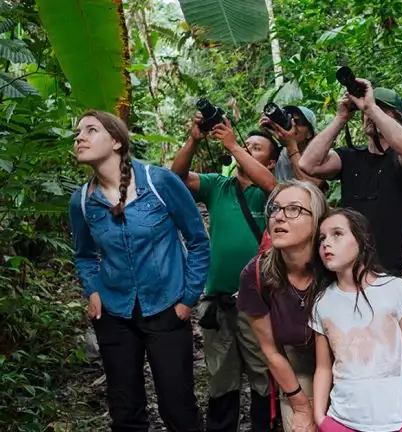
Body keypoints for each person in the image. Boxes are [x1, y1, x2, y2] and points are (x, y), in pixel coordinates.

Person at [68, 110, 209, 431]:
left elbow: (198, 241)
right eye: (77, 133)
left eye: (90, 130)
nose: (80, 137)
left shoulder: (159, 182)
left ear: (116, 141)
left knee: (178, 407)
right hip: (114, 316)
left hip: (167, 308)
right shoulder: (82, 201)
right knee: (125, 411)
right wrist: (92, 291)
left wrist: (188, 299)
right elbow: (84, 254)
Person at [171, 114, 281, 432]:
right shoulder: (218, 186)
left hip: (259, 302)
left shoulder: (270, 193)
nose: (246, 149)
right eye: (246, 144)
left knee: (263, 372)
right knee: (221, 375)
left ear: (271, 162)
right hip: (217, 302)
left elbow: (272, 186)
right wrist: (193, 139)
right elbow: (176, 179)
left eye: (255, 148)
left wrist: (233, 145)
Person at [310, 208, 402, 432]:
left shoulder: (394, 288)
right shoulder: (322, 302)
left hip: (394, 424)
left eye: (337, 234)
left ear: (362, 240)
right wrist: (320, 417)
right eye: (322, 238)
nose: (326, 243)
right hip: (340, 422)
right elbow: (324, 367)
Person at [299, 79, 402, 275]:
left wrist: (371, 107)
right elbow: (307, 164)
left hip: (401, 274)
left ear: (400, 119)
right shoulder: (349, 157)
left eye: (382, 110)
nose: (369, 115)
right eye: (365, 112)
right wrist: (341, 118)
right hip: (355, 273)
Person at [237, 180, 330, 432]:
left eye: (294, 209)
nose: (279, 217)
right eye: (275, 209)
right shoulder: (256, 274)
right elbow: (271, 351)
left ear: (318, 220)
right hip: (298, 364)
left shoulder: (337, 265)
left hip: (350, 366)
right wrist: (300, 406)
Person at [260, 105, 327, 191]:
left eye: (298, 122)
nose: (293, 125)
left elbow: (312, 187)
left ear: (309, 133)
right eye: (288, 119)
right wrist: (265, 136)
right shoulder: (277, 152)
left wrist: (291, 146)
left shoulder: (320, 156)